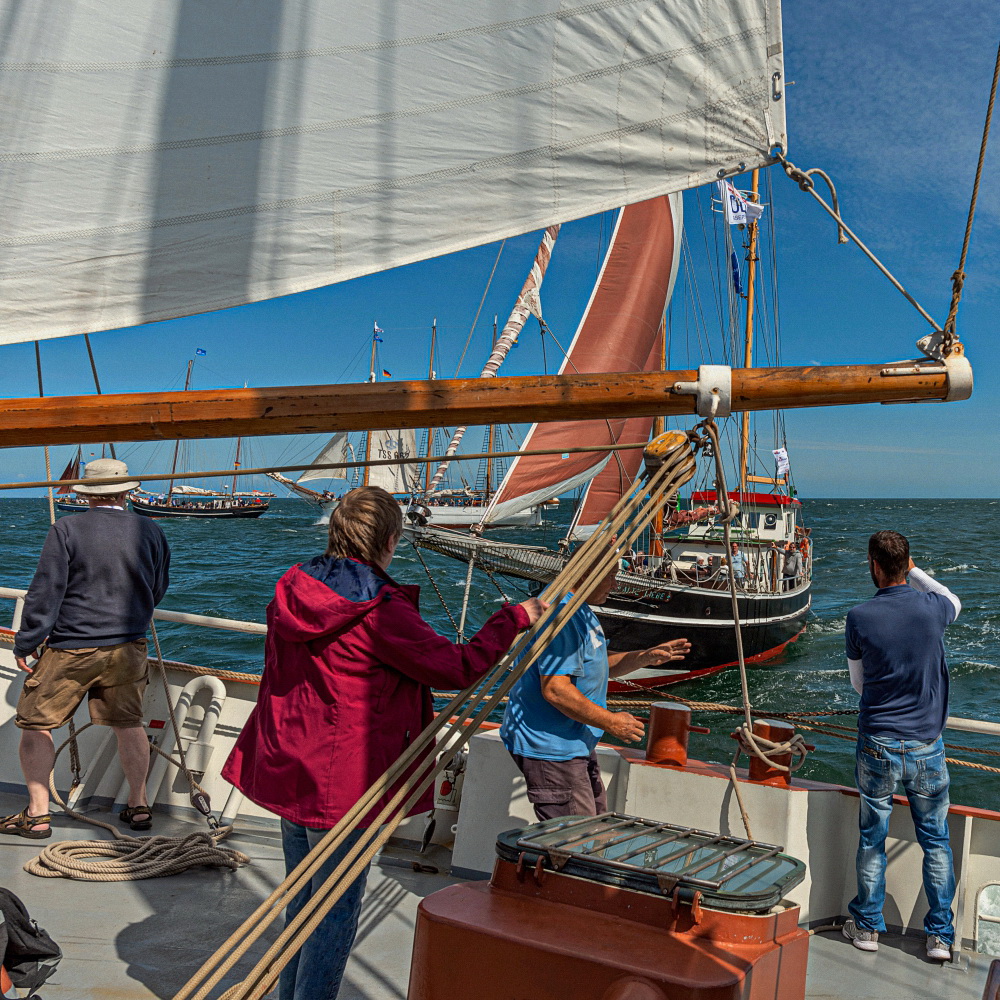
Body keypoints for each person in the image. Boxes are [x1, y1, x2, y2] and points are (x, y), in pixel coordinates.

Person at [221, 486, 544, 1000]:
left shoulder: (293, 585)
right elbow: (455, 667)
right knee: (332, 915)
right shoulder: (380, 609)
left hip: (292, 772)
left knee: (303, 904)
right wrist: (514, 618)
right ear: (389, 540)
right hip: (344, 787)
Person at [3, 459, 169, 838]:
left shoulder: (67, 528)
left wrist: (27, 641)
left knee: (35, 723)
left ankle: (38, 814)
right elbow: (157, 586)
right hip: (128, 646)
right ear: (127, 491)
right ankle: (139, 805)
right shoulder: (151, 530)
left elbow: (46, 592)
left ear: (83, 492)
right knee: (129, 725)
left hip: (72, 648)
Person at [841, 530, 961, 962]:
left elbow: (859, 684)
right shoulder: (934, 609)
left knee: (873, 838)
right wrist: (914, 570)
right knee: (936, 841)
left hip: (877, 743)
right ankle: (940, 937)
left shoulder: (858, 616)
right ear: (907, 563)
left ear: (874, 564)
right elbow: (953, 598)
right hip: (927, 747)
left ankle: (869, 927)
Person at [500, 558, 691, 821]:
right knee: (573, 843)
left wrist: (645, 656)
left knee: (592, 828)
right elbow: (555, 689)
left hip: (575, 744)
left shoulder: (578, 609)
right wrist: (612, 722)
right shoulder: (562, 616)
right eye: (611, 575)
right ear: (587, 573)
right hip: (553, 751)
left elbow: (597, 662)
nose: (615, 584)